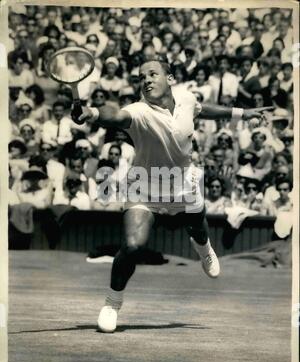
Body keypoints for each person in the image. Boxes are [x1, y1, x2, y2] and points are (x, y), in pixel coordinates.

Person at [68, 59, 270, 333]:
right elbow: (114, 115)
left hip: (183, 181)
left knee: (198, 228)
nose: (147, 80)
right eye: (142, 77)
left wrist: (241, 113)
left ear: (171, 79)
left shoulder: (185, 98)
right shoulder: (137, 111)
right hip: (145, 185)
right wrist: (91, 112)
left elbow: (202, 110)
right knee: (132, 245)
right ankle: (112, 302)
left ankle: (203, 249)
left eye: (153, 74)